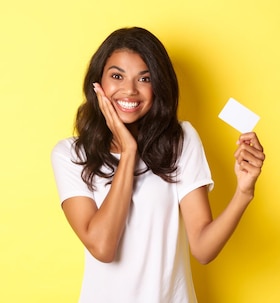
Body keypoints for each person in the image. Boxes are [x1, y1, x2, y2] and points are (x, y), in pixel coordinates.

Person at [50, 27, 265, 303]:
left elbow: (202, 248)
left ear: (158, 87)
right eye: (117, 76)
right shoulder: (70, 154)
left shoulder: (180, 140)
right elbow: (103, 247)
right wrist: (128, 151)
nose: (130, 90)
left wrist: (244, 192)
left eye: (145, 78)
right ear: (98, 83)